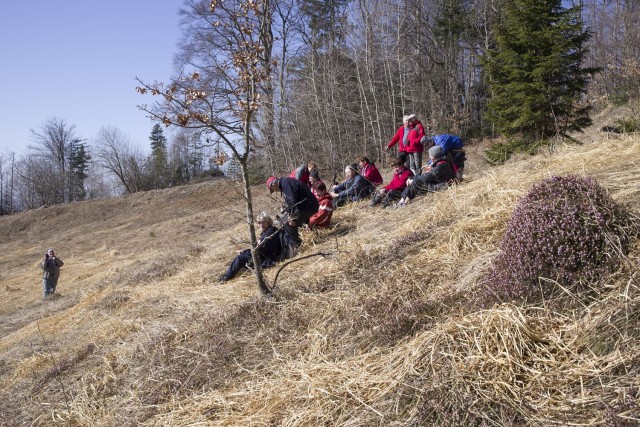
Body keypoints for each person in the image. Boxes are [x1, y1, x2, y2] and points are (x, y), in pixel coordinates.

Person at [219, 212, 282, 282]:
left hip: (267, 259)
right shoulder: (268, 231)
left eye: (263, 222)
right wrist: (245, 252)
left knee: (240, 258)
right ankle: (227, 274)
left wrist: (245, 252)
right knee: (243, 255)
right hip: (264, 255)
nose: (261, 225)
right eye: (259, 223)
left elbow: (260, 250)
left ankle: (226, 277)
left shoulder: (270, 232)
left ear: (268, 222)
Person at [267, 176, 319, 248]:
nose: (275, 191)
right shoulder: (285, 183)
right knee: (282, 220)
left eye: (273, 189)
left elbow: (292, 201)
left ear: (273, 184)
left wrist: (291, 217)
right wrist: (306, 222)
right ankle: (289, 242)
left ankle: (297, 245)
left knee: (287, 223)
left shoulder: (286, 183)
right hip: (307, 206)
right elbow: (299, 198)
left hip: (309, 206)